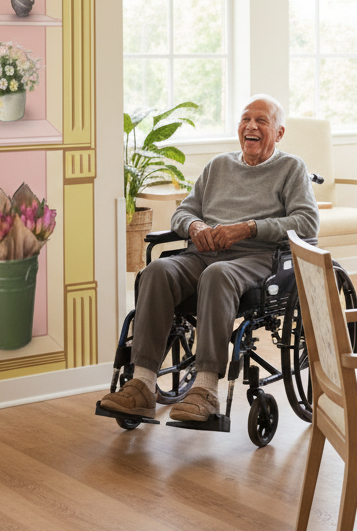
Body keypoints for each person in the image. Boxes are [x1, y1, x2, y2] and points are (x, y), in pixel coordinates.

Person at [100, 95, 319, 422]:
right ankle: (142, 385)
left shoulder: (291, 168)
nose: (251, 127)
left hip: (256, 258)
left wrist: (248, 228)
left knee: (217, 275)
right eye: (246, 119)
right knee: (157, 270)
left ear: (279, 133)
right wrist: (195, 225)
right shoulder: (219, 165)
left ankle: (205, 391)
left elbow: (306, 222)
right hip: (202, 253)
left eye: (262, 121)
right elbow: (184, 211)